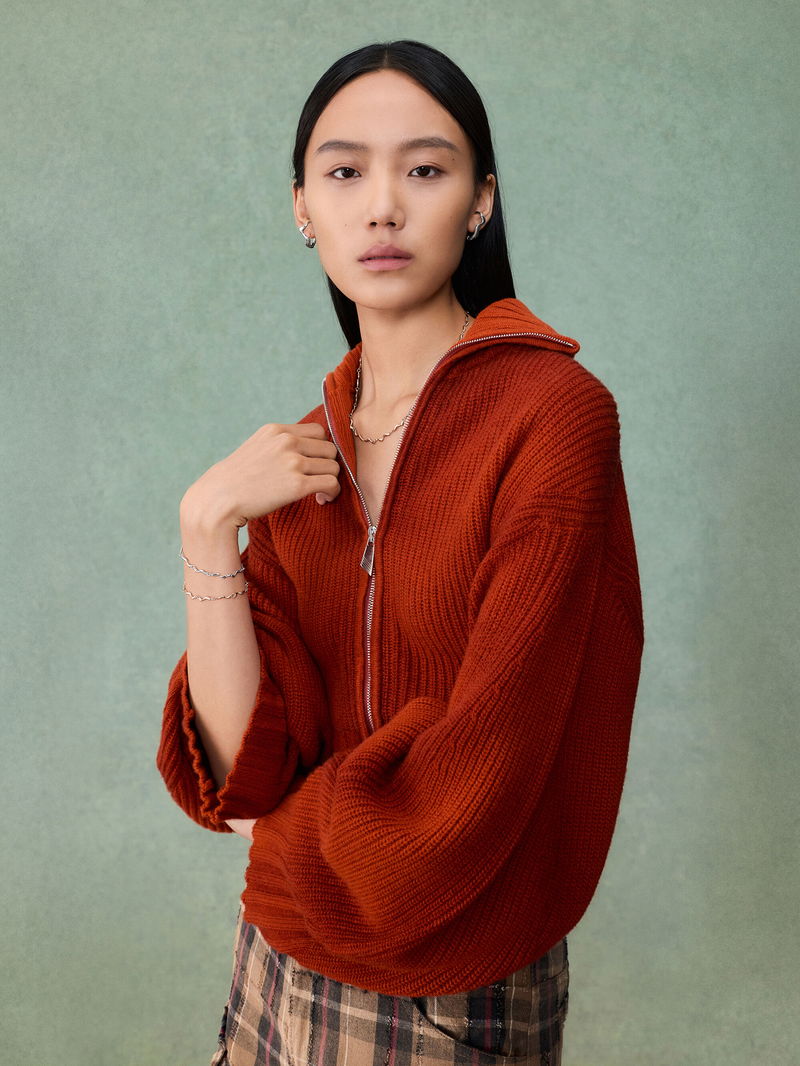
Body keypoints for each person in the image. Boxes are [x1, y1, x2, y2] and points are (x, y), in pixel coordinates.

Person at [156, 39, 644, 1066]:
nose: (382, 207)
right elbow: (247, 774)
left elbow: (491, 761)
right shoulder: (300, 458)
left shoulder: (552, 418)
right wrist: (207, 529)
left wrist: (283, 835)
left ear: (479, 201)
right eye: (344, 172)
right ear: (302, 208)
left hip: (450, 979)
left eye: (424, 169)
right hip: (278, 956)